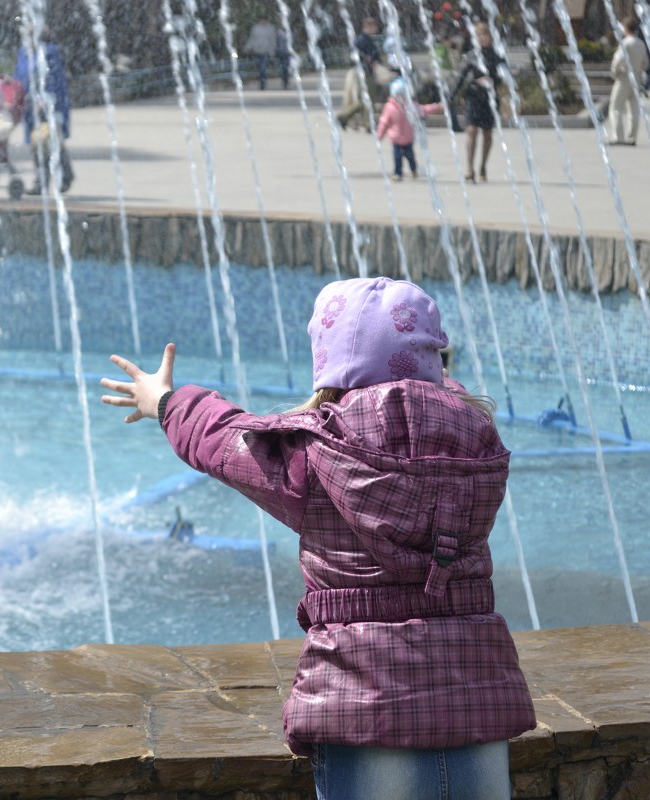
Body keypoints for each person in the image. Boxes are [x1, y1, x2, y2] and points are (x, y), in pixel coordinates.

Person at [100, 276, 536, 799]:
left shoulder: (314, 456)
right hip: (476, 700)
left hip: (362, 707)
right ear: (433, 362)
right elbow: (439, 396)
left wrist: (167, 401)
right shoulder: (476, 445)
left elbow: (222, 440)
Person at [15, 27, 74, 194]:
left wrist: (48, 99)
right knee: (42, 143)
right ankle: (59, 176)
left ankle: (45, 180)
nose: (24, 39)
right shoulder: (23, 53)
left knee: (45, 141)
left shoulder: (49, 52)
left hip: (49, 105)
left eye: (27, 35)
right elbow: (18, 76)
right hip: (29, 106)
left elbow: (56, 78)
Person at [451, 20, 506, 182]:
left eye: (484, 34)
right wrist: (450, 97)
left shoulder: (497, 56)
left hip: (489, 99)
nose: (482, 38)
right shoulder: (471, 56)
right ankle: (469, 168)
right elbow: (460, 78)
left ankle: (482, 166)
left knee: (487, 134)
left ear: (491, 36)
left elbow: (504, 77)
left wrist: (493, 80)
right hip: (473, 97)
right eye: (478, 35)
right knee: (471, 131)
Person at [377, 78, 441, 181]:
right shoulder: (389, 107)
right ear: (393, 95)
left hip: (408, 139)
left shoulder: (411, 106)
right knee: (397, 157)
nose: (400, 98)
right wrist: (379, 135)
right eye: (398, 95)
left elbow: (423, 110)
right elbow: (384, 122)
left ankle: (413, 169)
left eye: (402, 95)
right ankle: (398, 173)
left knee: (410, 156)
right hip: (396, 139)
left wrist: (436, 107)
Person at [605, 17, 650, 146]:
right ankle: (632, 138)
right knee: (634, 110)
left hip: (624, 77)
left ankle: (618, 137)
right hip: (637, 78)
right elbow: (646, 64)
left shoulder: (625, 43)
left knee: (616, 108)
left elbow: (617, 60)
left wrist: (614, 73)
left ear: (626, 28)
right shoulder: (641, 44)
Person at [338, 18, 387, 130]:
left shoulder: (367, 39)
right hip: (364, 72)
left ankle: (359, 121)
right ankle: (348, 117)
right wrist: (365, 59)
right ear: (367, 27)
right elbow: (353, 53)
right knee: (367, 98)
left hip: (366, 71)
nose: (375, 29)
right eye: (373, 27)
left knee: (368, 99)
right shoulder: (361, 40)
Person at [244, 17, 278, 91]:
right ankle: (261, 81)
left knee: (263, 68)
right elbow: (252, 39)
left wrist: (272, 52)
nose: (262, 22)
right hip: (257, 51)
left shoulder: (270, 29)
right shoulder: (255, 28)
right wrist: (248, 47)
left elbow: (272, 41)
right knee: (259, 68)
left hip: (266, 51)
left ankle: (263, 83)